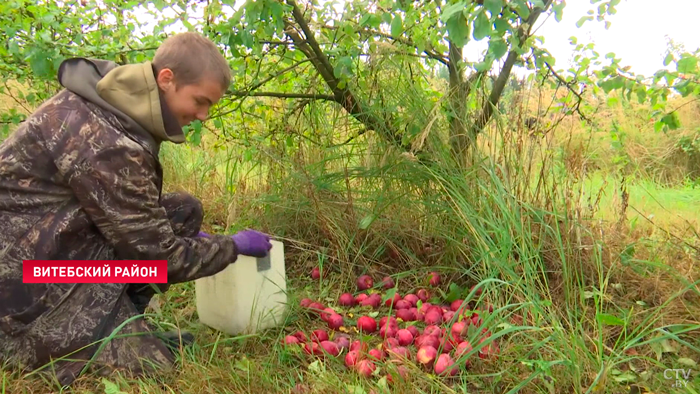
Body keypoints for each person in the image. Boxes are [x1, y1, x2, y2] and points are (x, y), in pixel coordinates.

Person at [0, 32, 272, 386]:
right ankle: (29, 337)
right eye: (200, 101)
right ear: (166, 79)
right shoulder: (107, 141)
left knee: (182, 211)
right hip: (26, 279)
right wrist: (231, 246)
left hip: (54, 244)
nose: (203, 116)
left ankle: (119, 310)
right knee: (156, 365)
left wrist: (186, 238)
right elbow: (161, 256)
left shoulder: (113, 102)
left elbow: (134, 220)